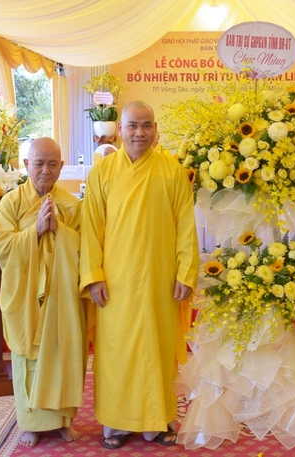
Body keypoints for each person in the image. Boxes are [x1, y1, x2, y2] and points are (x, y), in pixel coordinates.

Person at [80, 101, 199, 449]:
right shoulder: (102, 172)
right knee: (117, 351)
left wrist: (185, 273)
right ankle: (116, 424)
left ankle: (158, 421)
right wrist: (94, 275)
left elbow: (186, 227)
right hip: (115, 282)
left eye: (146, 126)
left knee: (156, 349)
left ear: (155, 130)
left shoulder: (172, 171)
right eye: (132, 126)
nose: (139, 133)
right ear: (120, 129)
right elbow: (90, 228)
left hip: (161, 279)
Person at [0, 137, 86, 448]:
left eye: (52, 164)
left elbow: (85, 247)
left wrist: (60, 230)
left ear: (61, 166)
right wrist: (36, 231)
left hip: (61, 295)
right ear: (26, 165)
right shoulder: (12, 203)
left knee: (62, 356)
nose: (46, 170)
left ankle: (62, 421)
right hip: (26, 294)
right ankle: (31, 423)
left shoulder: (71, 205)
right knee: (28, 358)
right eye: (39, 163)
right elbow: (0, 244)